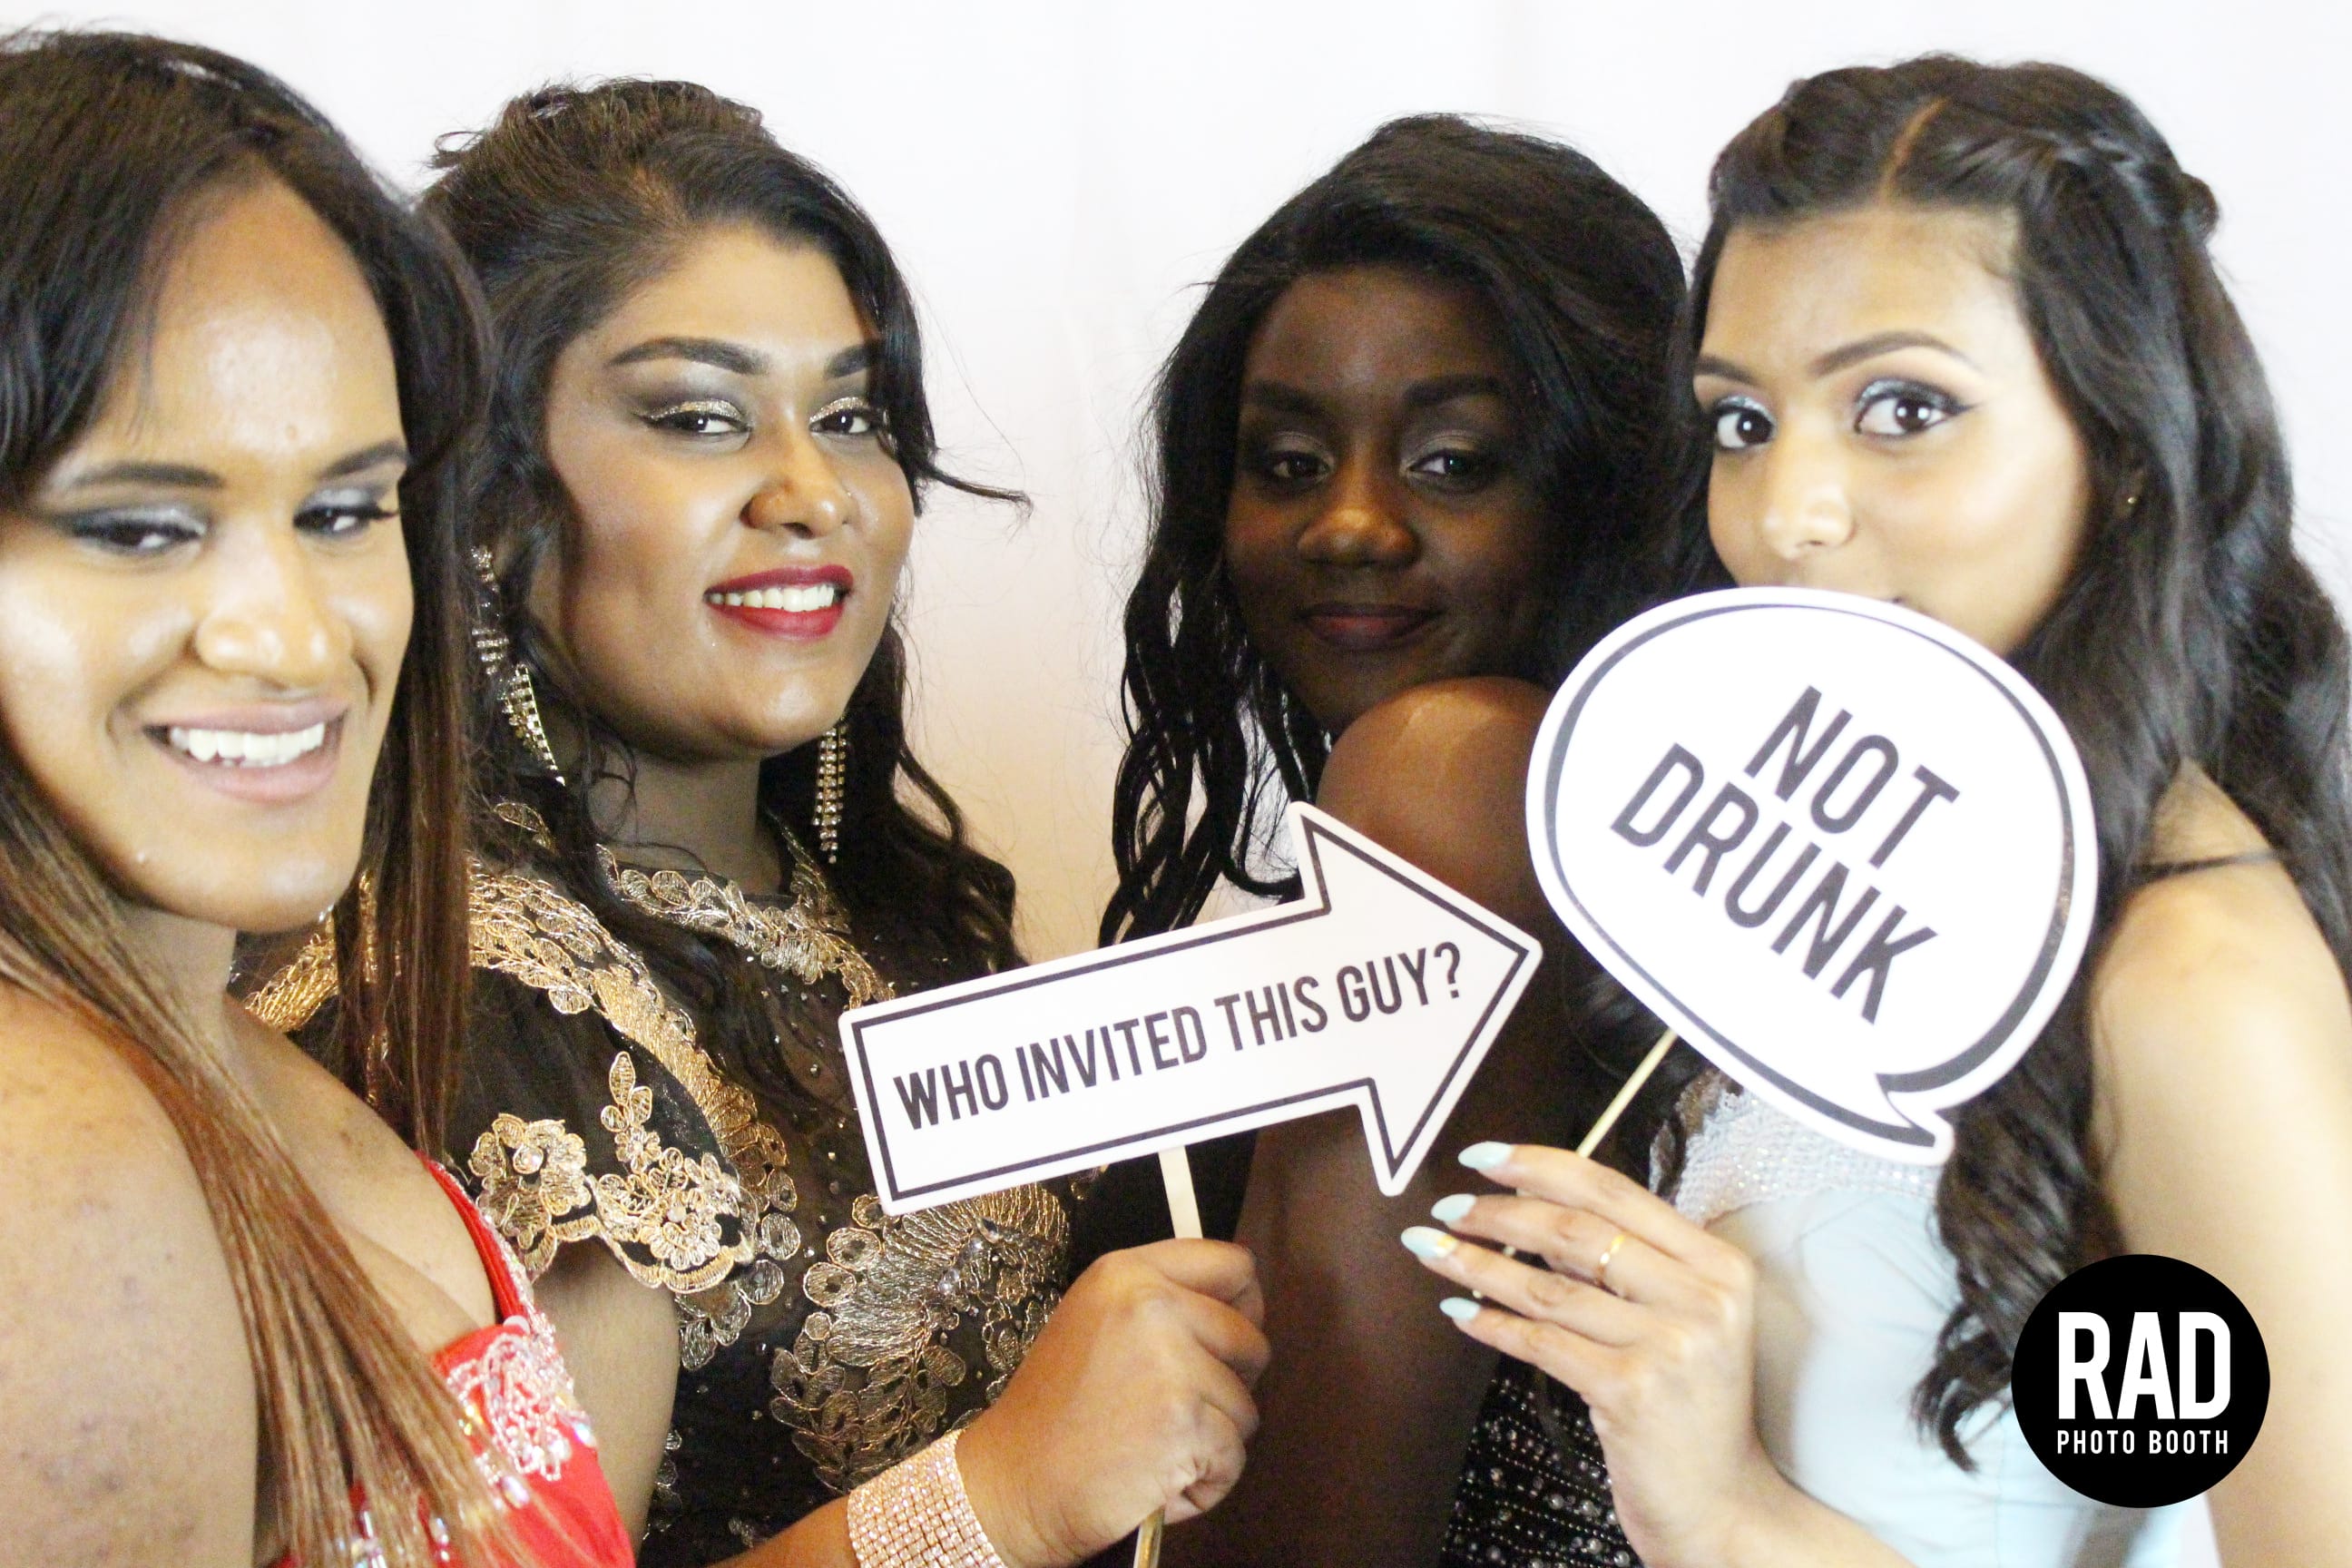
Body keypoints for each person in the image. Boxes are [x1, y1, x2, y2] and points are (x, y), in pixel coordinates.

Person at [1410, 55, 2352, 1568]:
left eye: (1903, 407)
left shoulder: (2187, 984)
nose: (1787, 513)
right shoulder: (1855, 868)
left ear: (2124, 450)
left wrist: (1731, 1517)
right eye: (1741, 421)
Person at [325, 77, 1264, 1568]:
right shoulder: (479, 1000)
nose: (813, 491)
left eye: (850, 416)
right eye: (699, 418)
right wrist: (1002, 1497)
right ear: (487, 499)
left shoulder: (883, 909)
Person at [0, 29, 632, 1568]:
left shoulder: (211, 1037)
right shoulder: (47, 1157)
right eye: (141, 529)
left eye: (346, 509)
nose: (295, 639)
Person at [1091, 115, 1684, 1564]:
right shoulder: (1631, 875)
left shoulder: (1451, 773)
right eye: (1289, 461)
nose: (1351, 525)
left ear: (1604, 491)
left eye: (1454, 461)